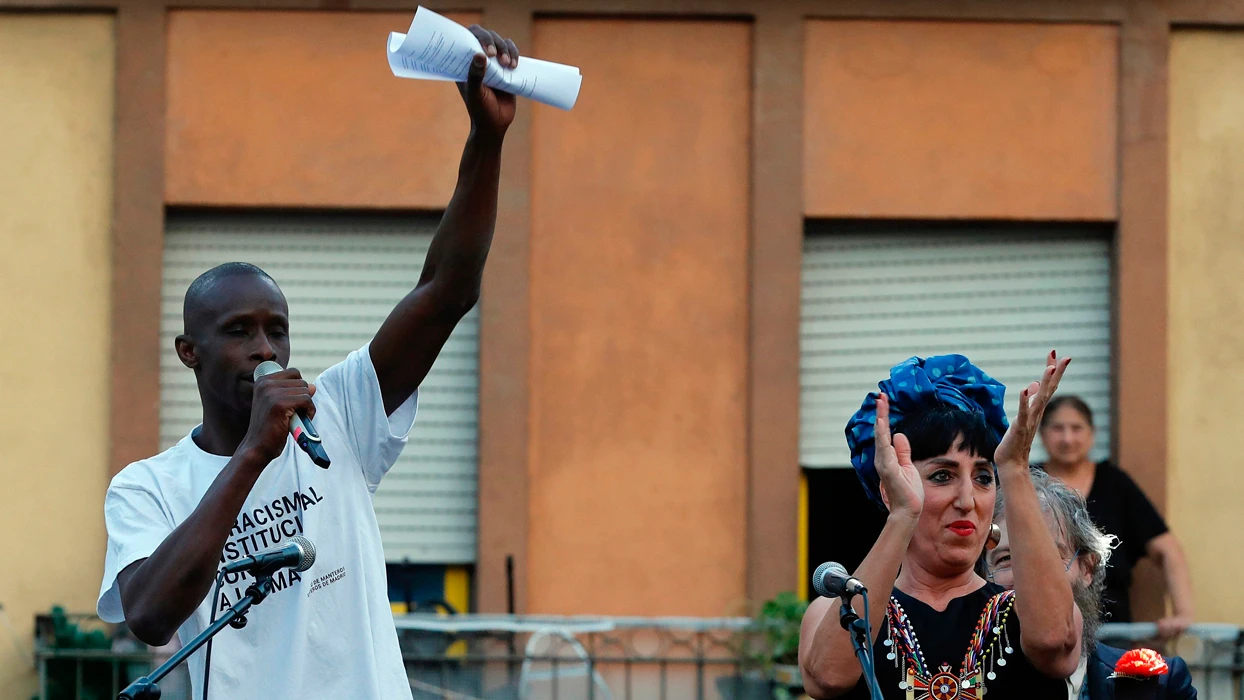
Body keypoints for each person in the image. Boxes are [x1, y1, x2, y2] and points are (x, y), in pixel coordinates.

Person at [95, 27, 521, 700]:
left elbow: (446, 292)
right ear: (190, 352)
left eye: (276, 331)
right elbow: (150, 615)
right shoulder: (148, 488)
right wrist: (252, 457)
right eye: (239, 332)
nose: (264, 349)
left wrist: (487, 141)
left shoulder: (340, 415)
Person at [799, 352, 1082, 699]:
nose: (967, 500)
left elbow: (1054, 641)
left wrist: (1014, 468)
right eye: (942, 476)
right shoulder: (839, 613)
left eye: (982, 477)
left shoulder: (1027, 612)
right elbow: (828, 676)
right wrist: (904, 516)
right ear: (890, 491)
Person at [988, 468, 1197, 699]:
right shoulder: (960, 684)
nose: (1026, 577)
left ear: (1087, 568)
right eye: (1006, 559)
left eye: (1047, 558)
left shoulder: (1158, 687)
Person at [1038, 396, 1195, 636]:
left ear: (1092, 433)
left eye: (1076, 428)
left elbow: (1168, 550)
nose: (1067, 438)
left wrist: (1183, 614)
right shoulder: (1027, 483)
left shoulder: (1115, 484)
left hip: (1112, 639)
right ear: (1041, 433)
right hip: (1041, 632)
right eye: (1058, 428)